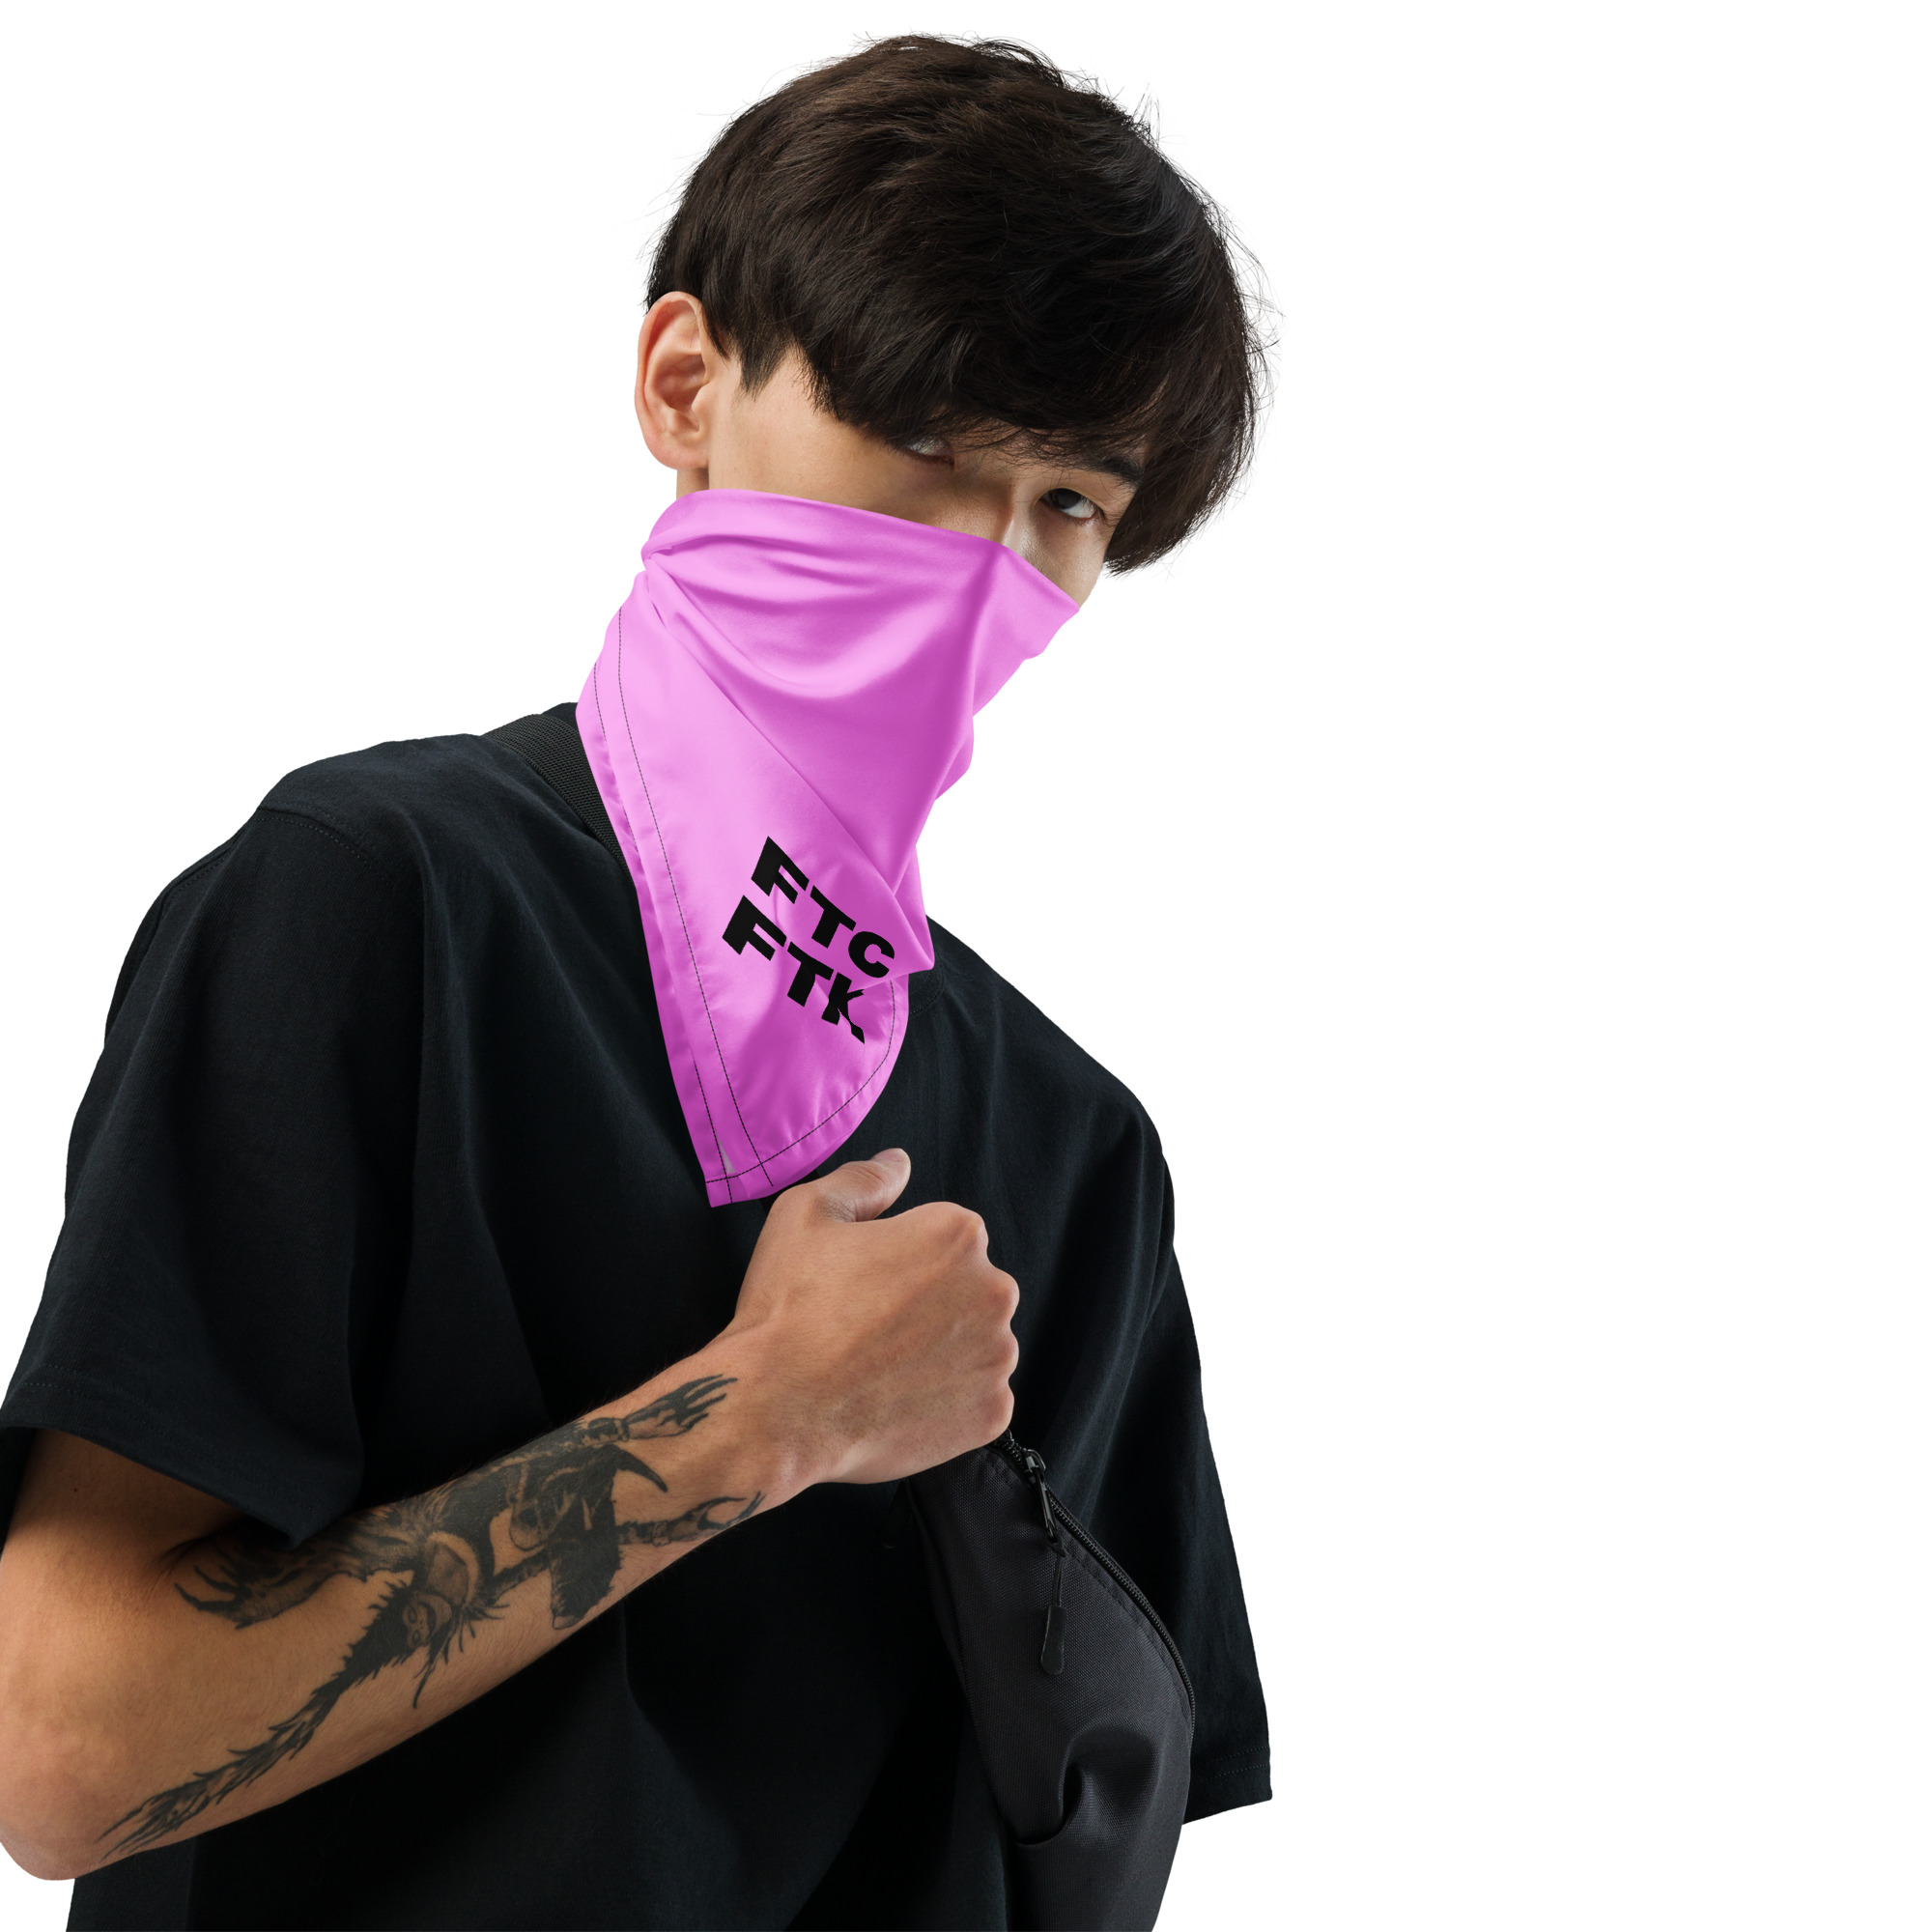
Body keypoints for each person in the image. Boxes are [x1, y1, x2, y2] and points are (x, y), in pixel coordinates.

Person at [0, 35, 1270, 1931]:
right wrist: (756, 1420)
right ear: (686, 383)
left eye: (1070, 504)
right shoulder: (379, 908)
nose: (984, 566)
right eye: (925, 440)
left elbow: (1080, 1846)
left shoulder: (1077, 1148)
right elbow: (62, 1745)